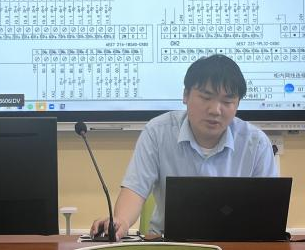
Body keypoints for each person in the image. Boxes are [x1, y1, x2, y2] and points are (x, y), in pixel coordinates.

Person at [90, 54, 277, 240]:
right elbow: (135, 189)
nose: (215, 110)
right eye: (206, 97)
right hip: (168, 242)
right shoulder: (157, 132)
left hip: (236, 243)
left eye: (227, 102)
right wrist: (121, 221)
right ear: (185, 95)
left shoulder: (257, 143)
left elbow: (267, 210)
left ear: (237, 105)